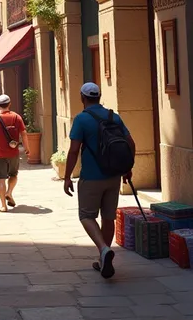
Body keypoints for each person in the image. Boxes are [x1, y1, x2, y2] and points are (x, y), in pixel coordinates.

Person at [64, 82, 135, 280]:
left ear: (82, 97)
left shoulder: (82, 119)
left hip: (92, 177)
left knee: (86, 216)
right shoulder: (114, 116)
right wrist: (128, 169)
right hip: (113, 176)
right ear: (99, 96)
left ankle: (103, 250)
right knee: (108, 217)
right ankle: (104, 258)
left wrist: (68, 176)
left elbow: (73, 150)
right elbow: (131, 143)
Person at [0, 94, 29, 212]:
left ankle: (3, 206)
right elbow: (24, 133)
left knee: (1, 179)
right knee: (13, 175)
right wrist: (27, 148)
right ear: (9, 104)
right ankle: (9, 192)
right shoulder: (16, 117)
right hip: (13, 152)